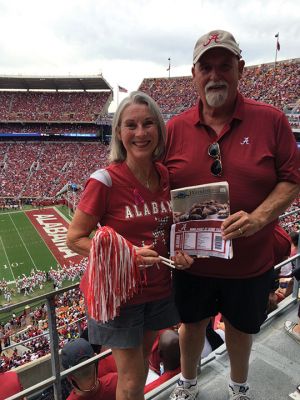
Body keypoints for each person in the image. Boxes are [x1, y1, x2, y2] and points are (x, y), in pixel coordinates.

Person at [164, 29, 300, 400]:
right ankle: (188, 383)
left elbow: (292, 179)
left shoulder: (270, 120)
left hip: (249, 262)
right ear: (194, 74)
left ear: (240, 69)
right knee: (190, 325)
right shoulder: (173, 129)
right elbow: (158, 194)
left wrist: (258, 217)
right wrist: (168, 244)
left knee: (242, 329)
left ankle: (238, 387)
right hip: (192, 263)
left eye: (224, 65)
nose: (215, 74)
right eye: (206, 67)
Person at [67, 91, 192, 400]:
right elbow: (75, 238)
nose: (140, 133)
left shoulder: (166, 176)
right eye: (131, 125)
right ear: (119, 132)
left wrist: (181, 252)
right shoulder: (104, 180)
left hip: (158, 290)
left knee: (134, 372)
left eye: (148, 124)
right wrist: (127, 256)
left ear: (159, 130)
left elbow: (167, 228)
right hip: (119, 295)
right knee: (133, 378)